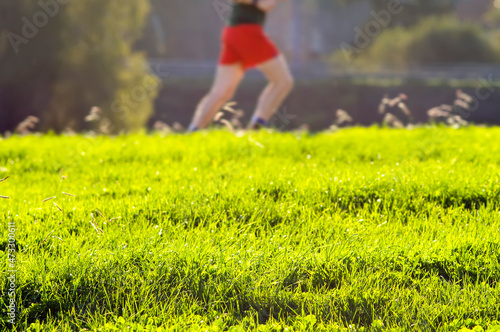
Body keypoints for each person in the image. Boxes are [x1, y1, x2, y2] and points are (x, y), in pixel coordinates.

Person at [188, 0, 294, 131]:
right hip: (247, 33)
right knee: (283, 81)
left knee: (222, 91)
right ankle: (257, 126)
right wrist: (256, 2)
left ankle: (194, 129)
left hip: (233, 33)